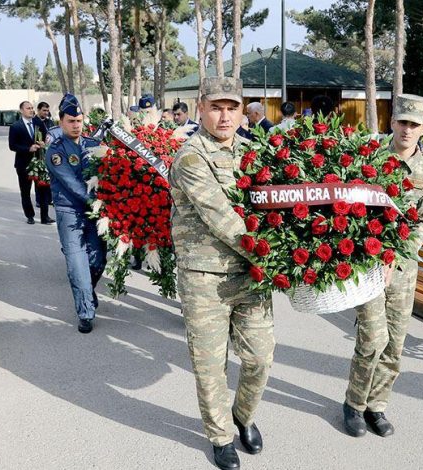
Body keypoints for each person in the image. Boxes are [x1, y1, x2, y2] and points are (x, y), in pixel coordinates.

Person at [169, 77, 273, 470]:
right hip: (205, 277)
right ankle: (220, 435)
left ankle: (243, 415)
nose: (224, 115)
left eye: (232, 108)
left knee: (260, 359)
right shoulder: (191, 156)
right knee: (210, 365)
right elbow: (222, 218)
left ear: (242, 110)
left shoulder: (255, 151)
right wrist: (272, 255)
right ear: (201, 108)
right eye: (216, 107)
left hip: (250, 275)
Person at [344, 94, 423, 439]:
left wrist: (395, 256)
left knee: (395, 343)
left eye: (414, 125)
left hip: (402, 273)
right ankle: (354, 404)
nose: (407, 129)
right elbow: (350, 208)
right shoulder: (369, 158)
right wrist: (372, 256)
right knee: (371, 338)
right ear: (392, 122)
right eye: (402, 122)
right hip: (367, 269)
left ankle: (377, 406)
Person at [45, 93, 106, 333]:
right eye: (71, 121)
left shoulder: (93, 145)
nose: (76, 125)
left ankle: (86, 293)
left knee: (99, 259)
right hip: (69, 212)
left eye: (79, 120)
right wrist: (97, 203)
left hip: (94, 215)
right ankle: (85, 312)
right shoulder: (55, 151)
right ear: (61, 122)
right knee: (77, 263)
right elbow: (72, 184)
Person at [9, 101, 49, 224]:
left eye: (32, 108)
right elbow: (12, 146)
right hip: (23, 164)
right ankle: (30, 216)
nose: (31, 110)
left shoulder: (38, 123)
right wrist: (28, 149)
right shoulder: (16, 126)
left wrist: (44, 143)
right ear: (21, 110)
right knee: (25, 191)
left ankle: (44, 217)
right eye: (28, 108)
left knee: (43, 190)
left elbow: (46, 137)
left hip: (39, 162)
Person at [32, 101, 55, 215]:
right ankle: (39, 200)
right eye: (44, 110)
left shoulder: (50, 122)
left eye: (47, 110)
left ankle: (48, 199)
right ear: (38, 110)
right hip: (37, 154)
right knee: (39, 178)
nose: (46, 113)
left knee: (48, 178)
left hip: (49, 153)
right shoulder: (33, 122)